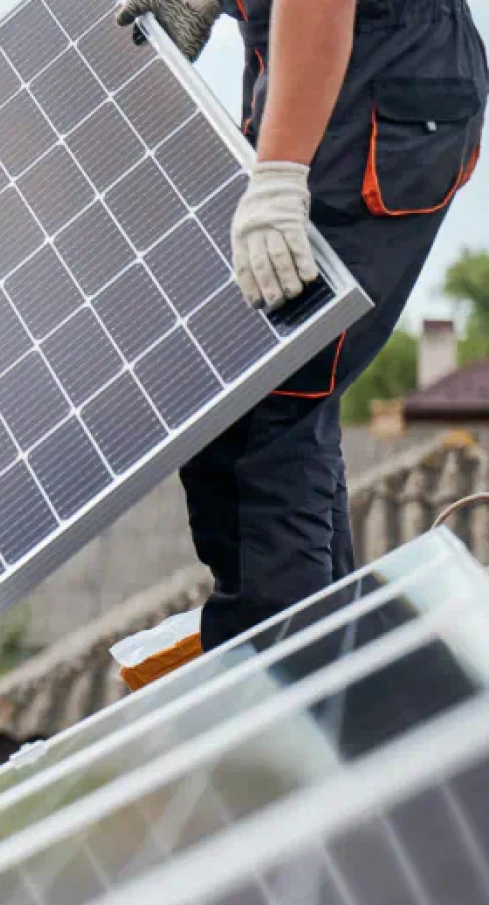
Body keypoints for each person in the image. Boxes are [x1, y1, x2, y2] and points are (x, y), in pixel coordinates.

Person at [118, 0, 487, 650]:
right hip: (301, 53)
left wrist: (281, 176)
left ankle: (299, 686)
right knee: (250, 403)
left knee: (262, 402)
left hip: (372, 70)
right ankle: (337, 685)